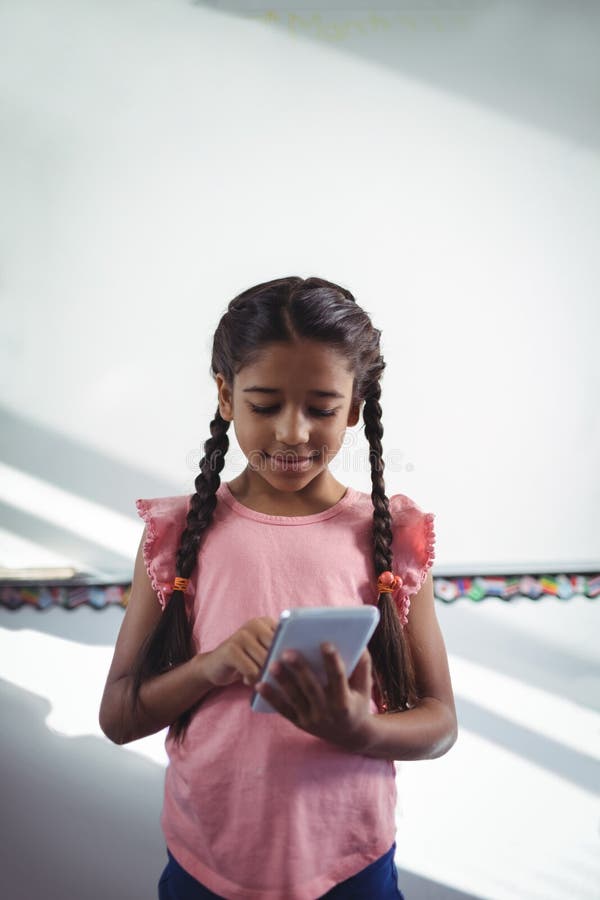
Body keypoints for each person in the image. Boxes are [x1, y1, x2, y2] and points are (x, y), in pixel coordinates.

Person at [99, 276, 458, 900]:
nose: (293, 433)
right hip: (205, 867)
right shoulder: (178, 533)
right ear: (226, 394)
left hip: (352, 868)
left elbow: (440, 722)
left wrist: (357, 729)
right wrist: (210, 667)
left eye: (321, 408)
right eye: (265, 405)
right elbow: (119, 717)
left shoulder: (391, 534)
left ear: (354, 405)